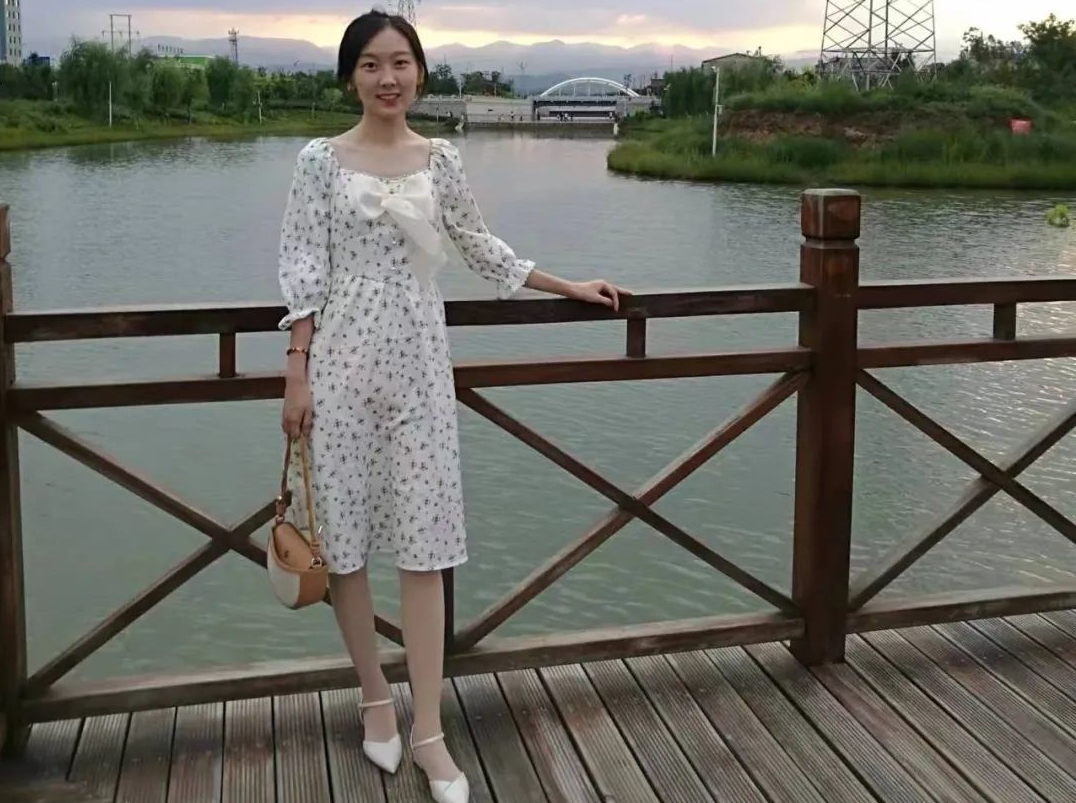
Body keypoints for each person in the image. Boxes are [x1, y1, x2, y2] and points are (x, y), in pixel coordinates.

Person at [276, 10, 628, 803]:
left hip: (420, 369)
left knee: (425, 547)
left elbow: (479, 246)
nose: (388, 78)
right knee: (346, 544)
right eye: (371, 64)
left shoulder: (441, 159)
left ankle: (429, 730)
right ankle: (375, 699)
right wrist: (297, 373)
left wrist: (568, 285)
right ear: (350, 77)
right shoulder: (318, 161)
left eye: (400, 62)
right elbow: (303, 266)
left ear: (422, 73)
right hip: (339, 367)